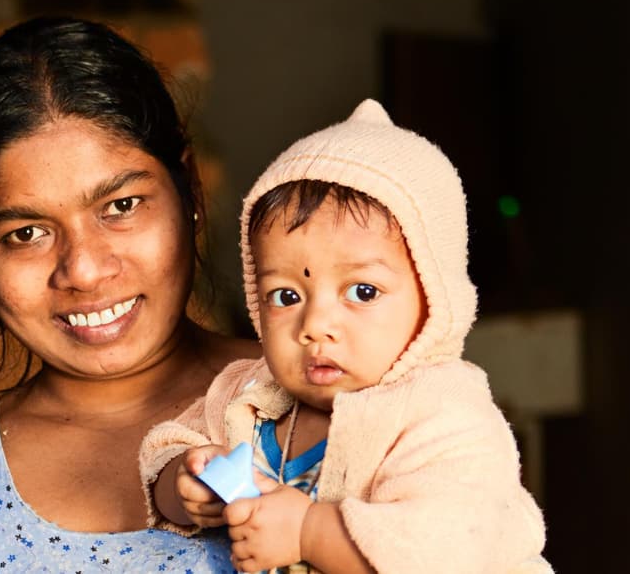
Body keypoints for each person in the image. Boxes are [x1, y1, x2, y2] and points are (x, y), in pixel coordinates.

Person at [0, 16, 260, 573]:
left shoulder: (332, 403)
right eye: (26, 234)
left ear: (190, 191)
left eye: (122, 206)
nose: (83, 270)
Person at [141, 100, 553, 573]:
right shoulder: (249, 395)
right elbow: (168, 445)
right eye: (287, 295)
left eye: (362, 291)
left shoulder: (443, 412)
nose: (315, 325)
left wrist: (308, 532)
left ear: (434, 298)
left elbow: (446, 550)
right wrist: (184, 483)